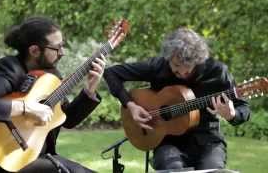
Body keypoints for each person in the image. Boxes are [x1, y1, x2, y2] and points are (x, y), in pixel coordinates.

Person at [0, 16, 106, 173]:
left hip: (38, 159)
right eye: (57, 48)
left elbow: (67, 119)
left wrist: (90, 89)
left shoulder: (51, 75)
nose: (62, 53)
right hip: (6, 161)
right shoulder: (9, 68)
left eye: (62, 46)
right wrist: (26, 107)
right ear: (34, 51)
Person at [103, 28, 251, 170]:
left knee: (211, 170)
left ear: (198, 59)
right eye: (176, 65)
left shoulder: (217, 72)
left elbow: (243, 108)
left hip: (207, 140)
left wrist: (232, 115)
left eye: (188, 66)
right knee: (172, 169)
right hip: (167, 141)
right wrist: (131, 105)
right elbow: (111, 73)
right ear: (168, 58)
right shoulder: (158, 67)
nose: (182, 71)